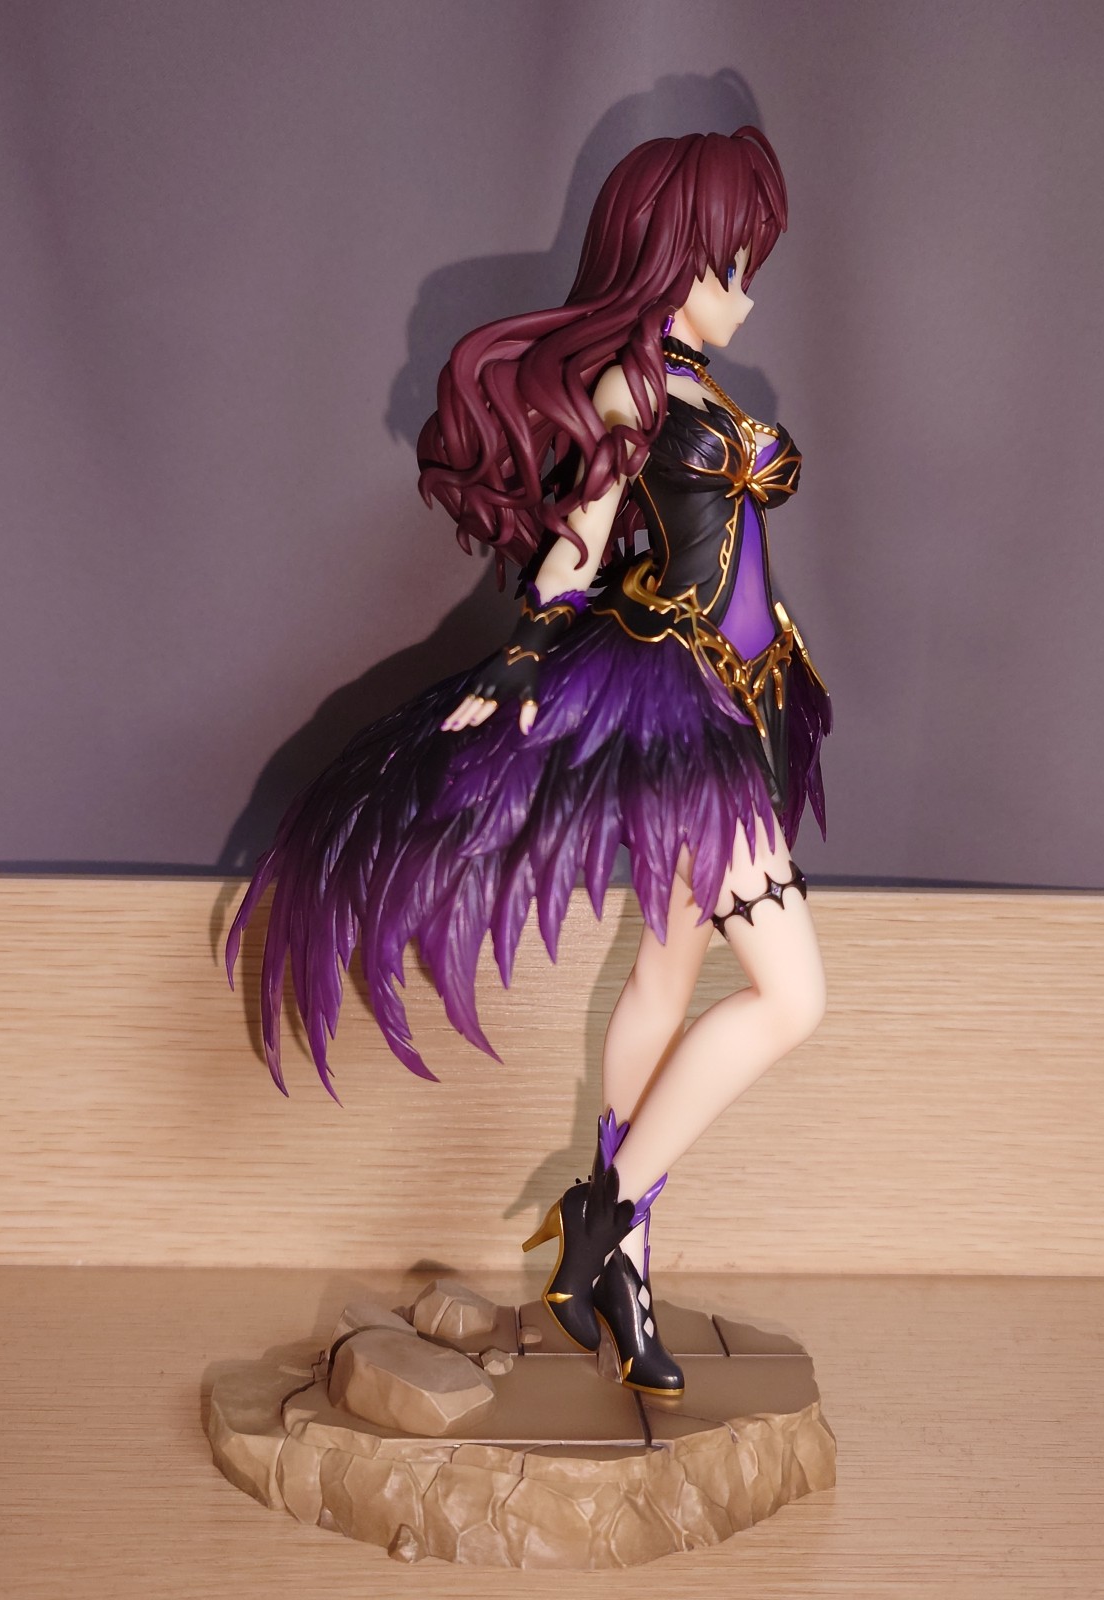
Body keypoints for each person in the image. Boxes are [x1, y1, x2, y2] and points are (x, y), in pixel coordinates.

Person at [226, 126, 832, 1398]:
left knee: (667, 972)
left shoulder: (703, 391)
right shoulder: (633, 390)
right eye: (732, 263)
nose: (748, 290)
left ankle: (620, 1252)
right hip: (677, 706)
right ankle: (604, 1215)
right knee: (792, 997)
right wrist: (515, 665)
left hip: (739, 702)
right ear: (675, 256)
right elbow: (580, 541)